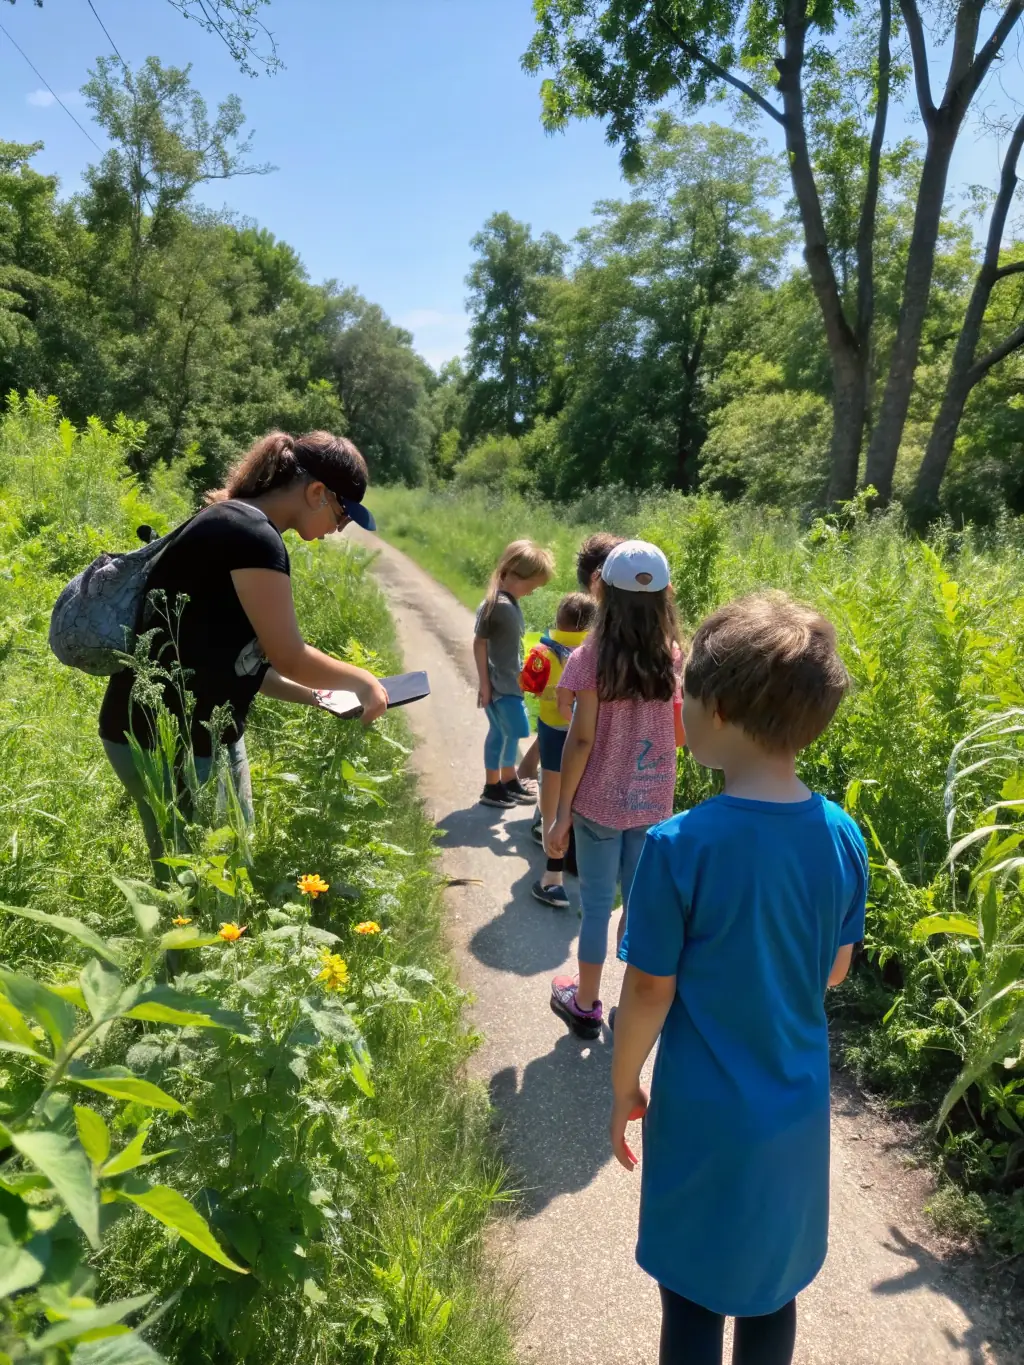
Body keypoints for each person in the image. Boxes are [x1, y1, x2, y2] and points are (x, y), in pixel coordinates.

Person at [610, 593, 867, 1365]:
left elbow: (649, 990)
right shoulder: (841, 834)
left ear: (715, 710)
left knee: (691, 1294)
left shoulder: (678, 846)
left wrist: (624, 1084)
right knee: (771, 1290)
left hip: (701, 1116)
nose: (677, 704)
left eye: (684, 690)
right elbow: (835, 968)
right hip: (793, 1115)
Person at [99, 430, 389, 870]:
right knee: (197, 883)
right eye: (343, 515)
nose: (338, 530)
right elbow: (289, 654)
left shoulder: (232, 523)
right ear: (316, 492)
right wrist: (365, 682)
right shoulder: (253, 537)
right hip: (170, 737)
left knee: (218, 868)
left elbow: (238, 663)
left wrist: (317, 695)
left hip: (182, 731)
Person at [547, 541, 684, 1037]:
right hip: (651, 803)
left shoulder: (590, 657)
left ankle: (585, 1003)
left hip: (597, 805)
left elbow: (580, 739)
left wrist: (561, 814)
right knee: (639, 903)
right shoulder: (671, 657)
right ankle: (634, 1004)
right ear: (666, 595)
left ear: (602, 591)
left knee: (597, 906)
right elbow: (680, 734)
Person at [530, 531, 625, 856]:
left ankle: (553, 833)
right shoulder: (628, 640)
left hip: (574, 740)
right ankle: (556, 830)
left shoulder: (584, 648)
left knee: (557, 766)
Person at [519, 591, 596, 908]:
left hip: (553, 730)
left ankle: (552, 856)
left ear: (558, 620)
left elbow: (528, 684)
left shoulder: (541, 652)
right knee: (579, 789)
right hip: (587, 732)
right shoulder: (596, 653)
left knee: (551, 789)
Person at [473, 540, 554, 809]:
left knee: (507, 733)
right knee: (510, 731)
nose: (531, 592)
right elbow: (480, 643)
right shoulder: (498, 605)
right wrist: (485, 684)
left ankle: (505, 782)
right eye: (530, 586)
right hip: (500, 686)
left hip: (509, 683)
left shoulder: (509, 602)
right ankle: (494, 785)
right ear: (509, 574)